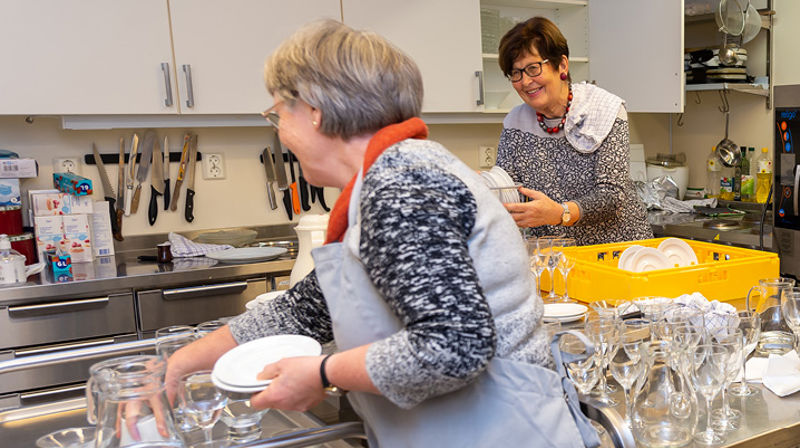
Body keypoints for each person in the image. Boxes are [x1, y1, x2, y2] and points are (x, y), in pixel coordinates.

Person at [165, 19, 599, 447]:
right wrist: (180, 362)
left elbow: (455, 346)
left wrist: (321, 372)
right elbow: (305, 309)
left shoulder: (402, 186)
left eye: (278, 111)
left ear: (315, 111)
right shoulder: (387, 178)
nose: (278, 131)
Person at [495, 16, 652, 246]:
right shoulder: (515, 124)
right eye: (516, 73)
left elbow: (611, 197)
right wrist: (488, 187)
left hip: (617, 253)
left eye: (533, 68)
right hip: (560, 258)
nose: (525, 81)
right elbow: (512, 193)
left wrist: (559, 213)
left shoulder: (604, 109)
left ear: (562, 65)